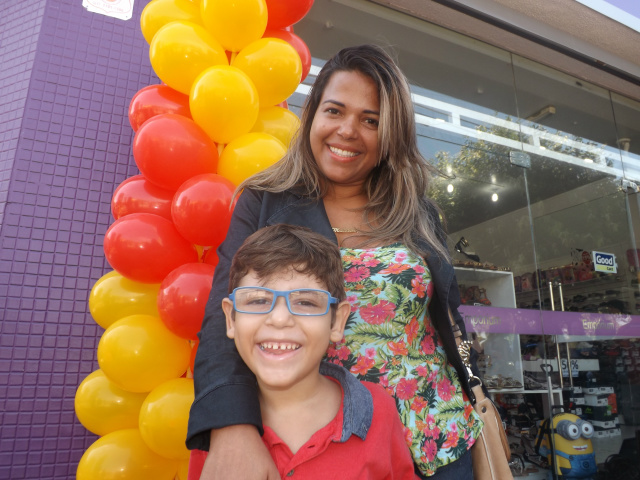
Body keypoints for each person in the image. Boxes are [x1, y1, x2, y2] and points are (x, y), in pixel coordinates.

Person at [187, 44, 484, 479]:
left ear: (391, 136)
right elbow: (223, 314)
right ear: (312, 116)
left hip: (438, 437)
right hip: (329, 446)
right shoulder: (263, 201)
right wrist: (233, 427)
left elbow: (444, 320)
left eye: (371, 120)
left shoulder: (419, 214)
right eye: (335, 111)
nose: (347, 130)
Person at [187, 225, 419, 479]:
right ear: (230, 319)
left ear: (337, 322)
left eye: (305, 302)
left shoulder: (378, 410)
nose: (279, 318)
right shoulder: (218, 430)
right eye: (258, 300)